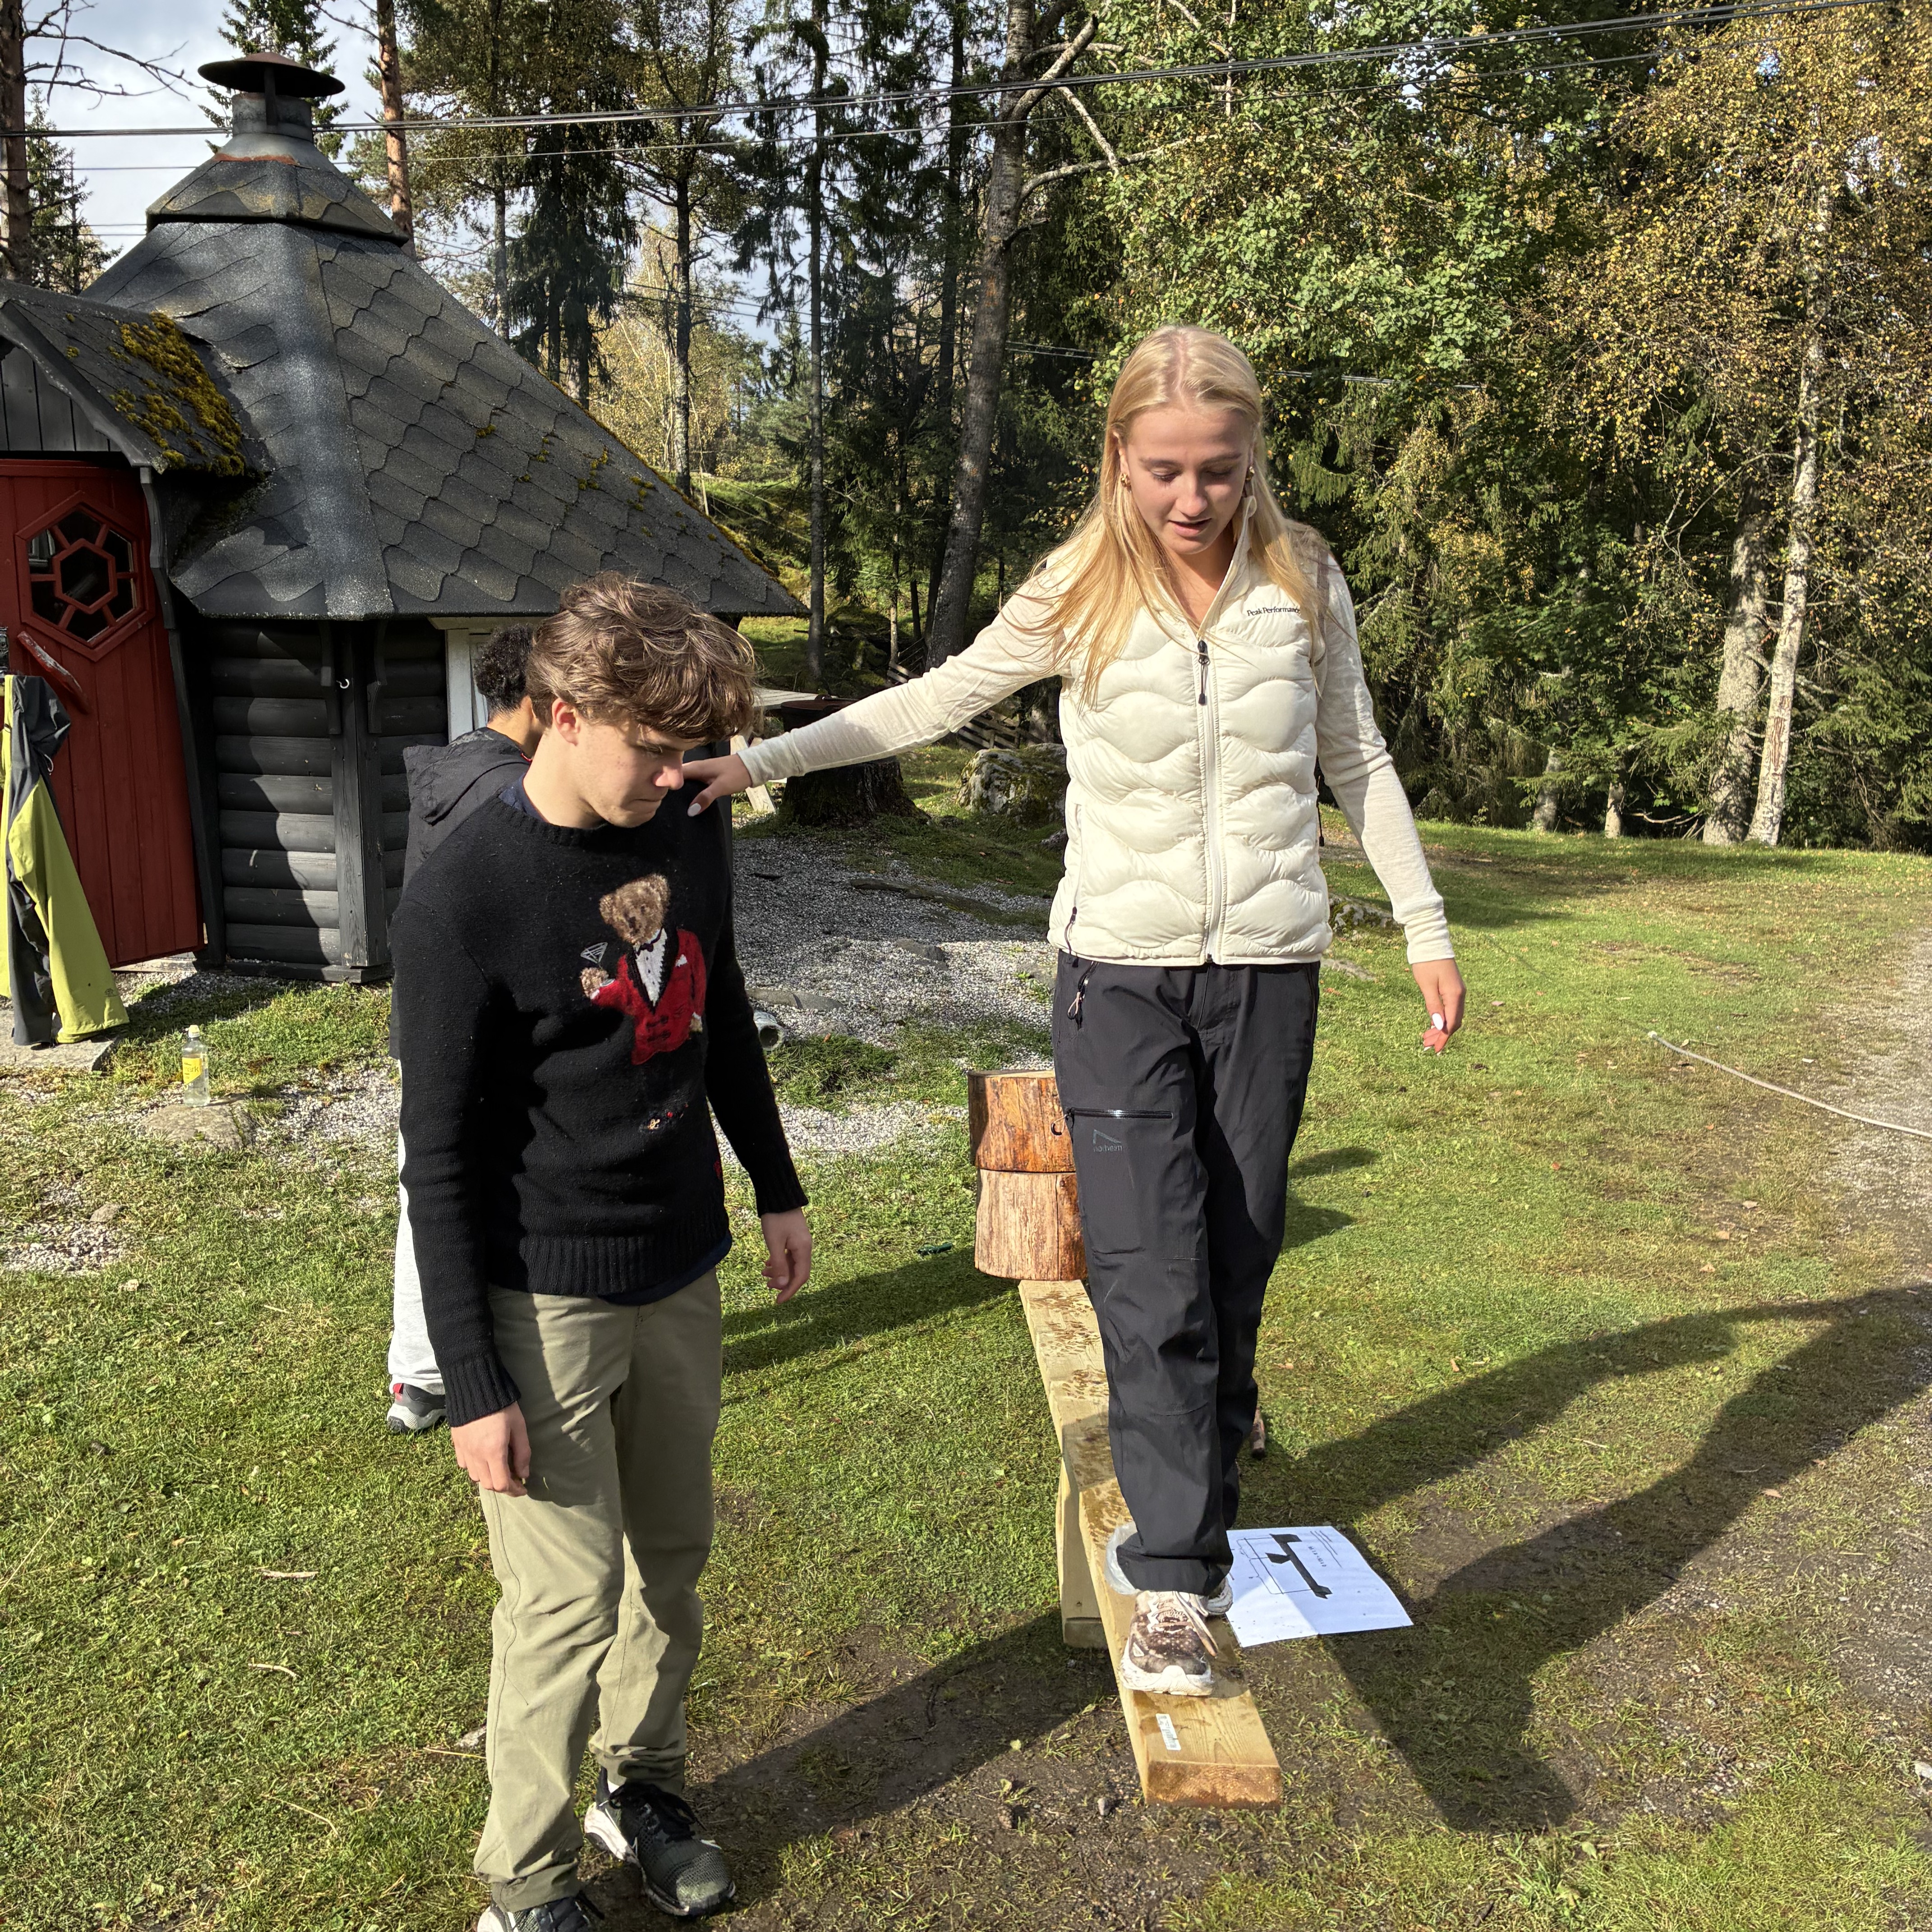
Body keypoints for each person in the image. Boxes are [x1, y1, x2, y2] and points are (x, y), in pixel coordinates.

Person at [685, 325, 1465, 1699]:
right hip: (1118, 974)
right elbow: (932, 701)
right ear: (1118, 456)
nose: (1188, 500)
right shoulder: (1077, 586)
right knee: (1152, 1271)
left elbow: (1357, 757)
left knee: (1236, 1253)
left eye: (1216, 472)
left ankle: (1203, 1475)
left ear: (1251, 461)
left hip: (1269, 972)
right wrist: (758, 759)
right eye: (1162, 470)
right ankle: (1173, 1577)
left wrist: (1424, 928)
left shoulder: (1304, 578)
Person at [392, 575, 812, 1931]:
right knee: (564, 1600)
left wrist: (776, 1180)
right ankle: (522, 1885)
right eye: (651, 746)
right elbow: (437, 1155)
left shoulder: (687, 819)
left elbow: (720, 1001)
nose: (675, 773)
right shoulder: (466, 887)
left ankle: (644, 1788)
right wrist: (469, 1374)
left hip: (677, 1255)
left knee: (670, 1557)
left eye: (691, 750)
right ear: (561, 715)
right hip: (543, 1291)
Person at [387, 624, 543, 1433]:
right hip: (475, 1026)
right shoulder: (506, 793)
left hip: (431, 1023)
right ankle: (436, 1373)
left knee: (433, 1179)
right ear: (543, 700)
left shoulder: (457, 769)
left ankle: (419, 1373)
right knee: (448, 1188)